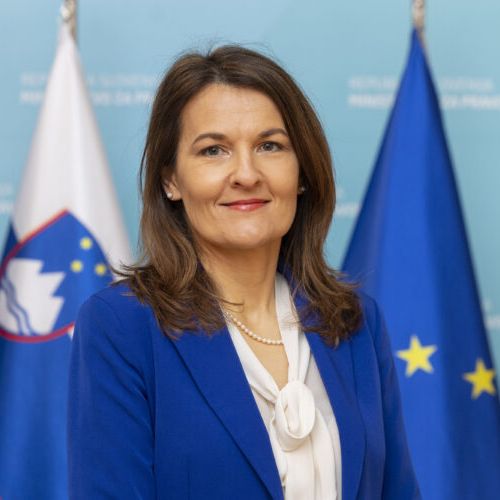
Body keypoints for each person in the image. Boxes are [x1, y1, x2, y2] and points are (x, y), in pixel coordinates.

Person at [67, 45, 420, 500]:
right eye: (213, 150)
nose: (246, 174)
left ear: (302, 171)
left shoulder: (355, 321)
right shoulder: (122, 327)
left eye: (269, 146)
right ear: (171, 180)